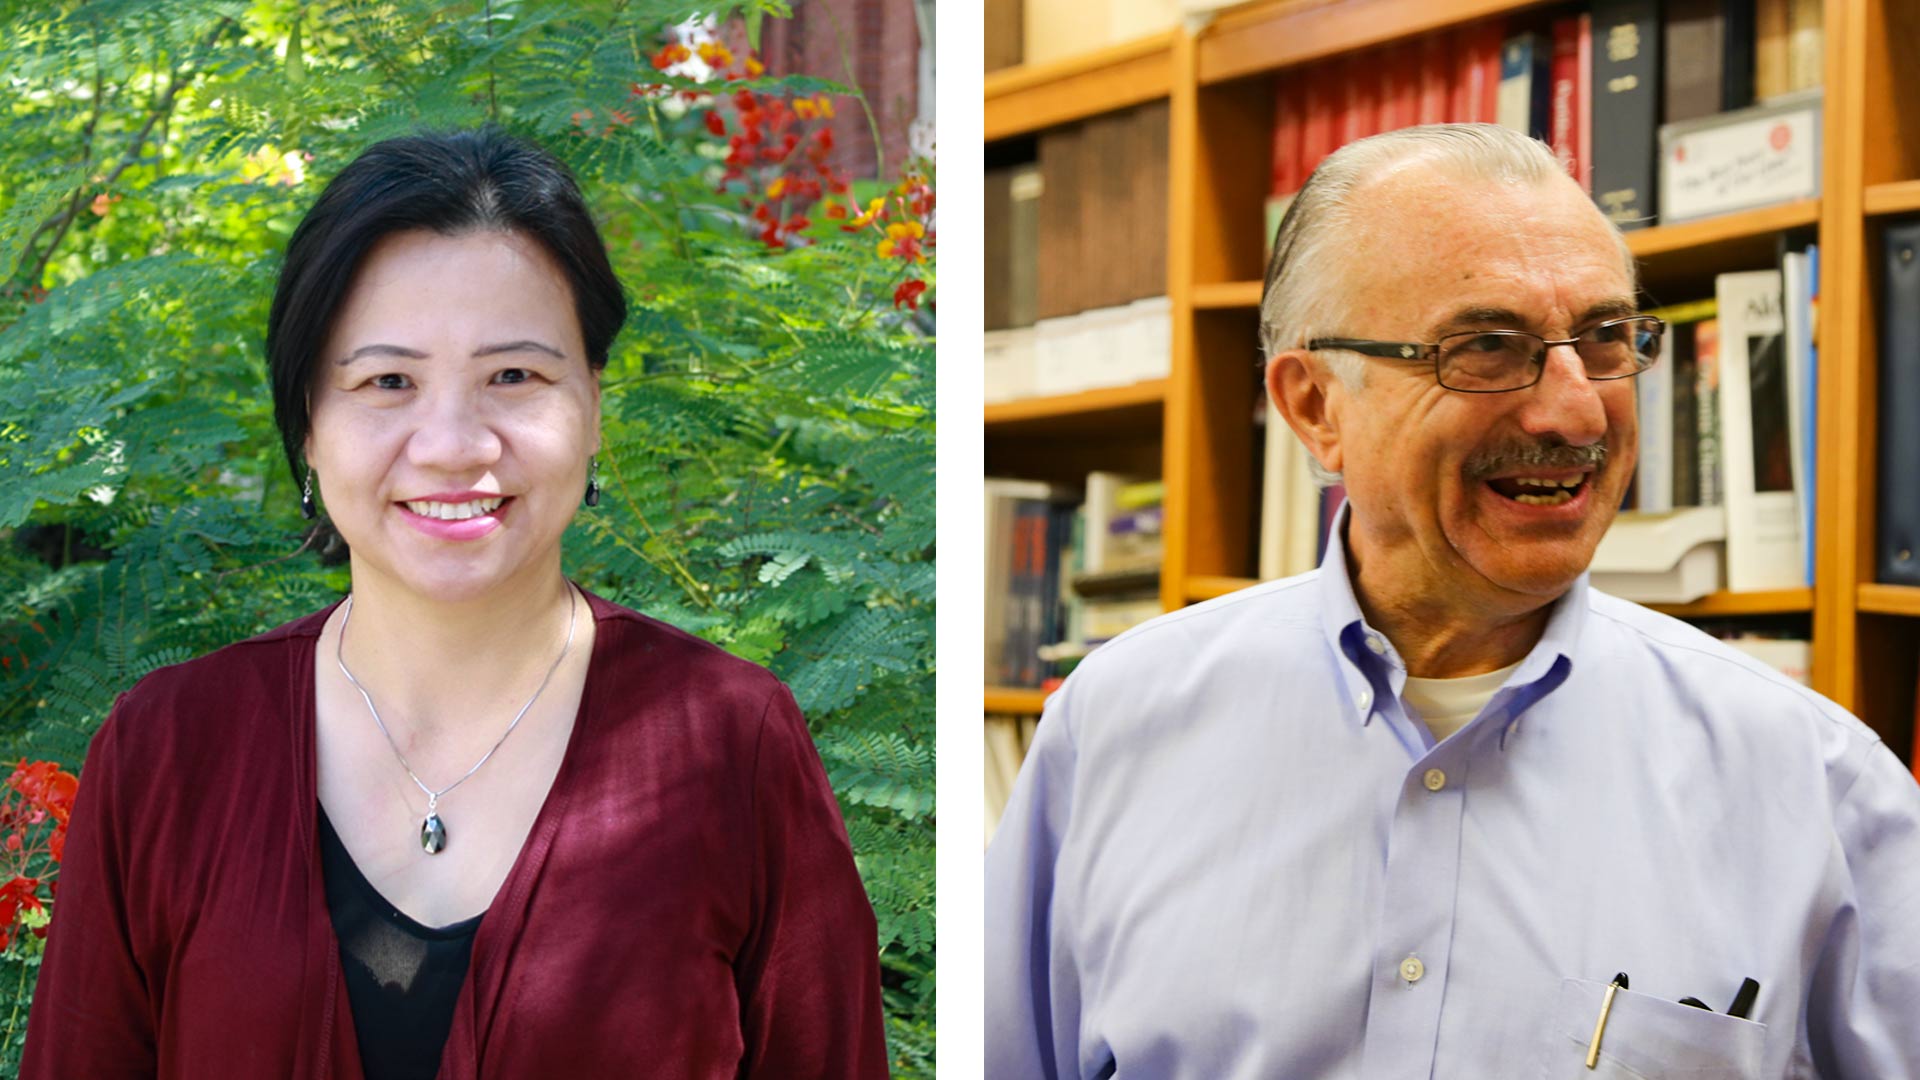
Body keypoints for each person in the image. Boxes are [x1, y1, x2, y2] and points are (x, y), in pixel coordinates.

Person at [984, 124, 1920, 1078]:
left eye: (1603, 341)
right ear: (1315, 406)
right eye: (1485, 347)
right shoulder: (1115, 729)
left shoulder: (1822, 790)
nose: (1575, 411)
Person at [23, 127, 888, 1079]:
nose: (452, 444)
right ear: (308, 423)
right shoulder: (168, 751)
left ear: (594, 405)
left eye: (513, 376)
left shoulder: (731, 741)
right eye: (387, 381)